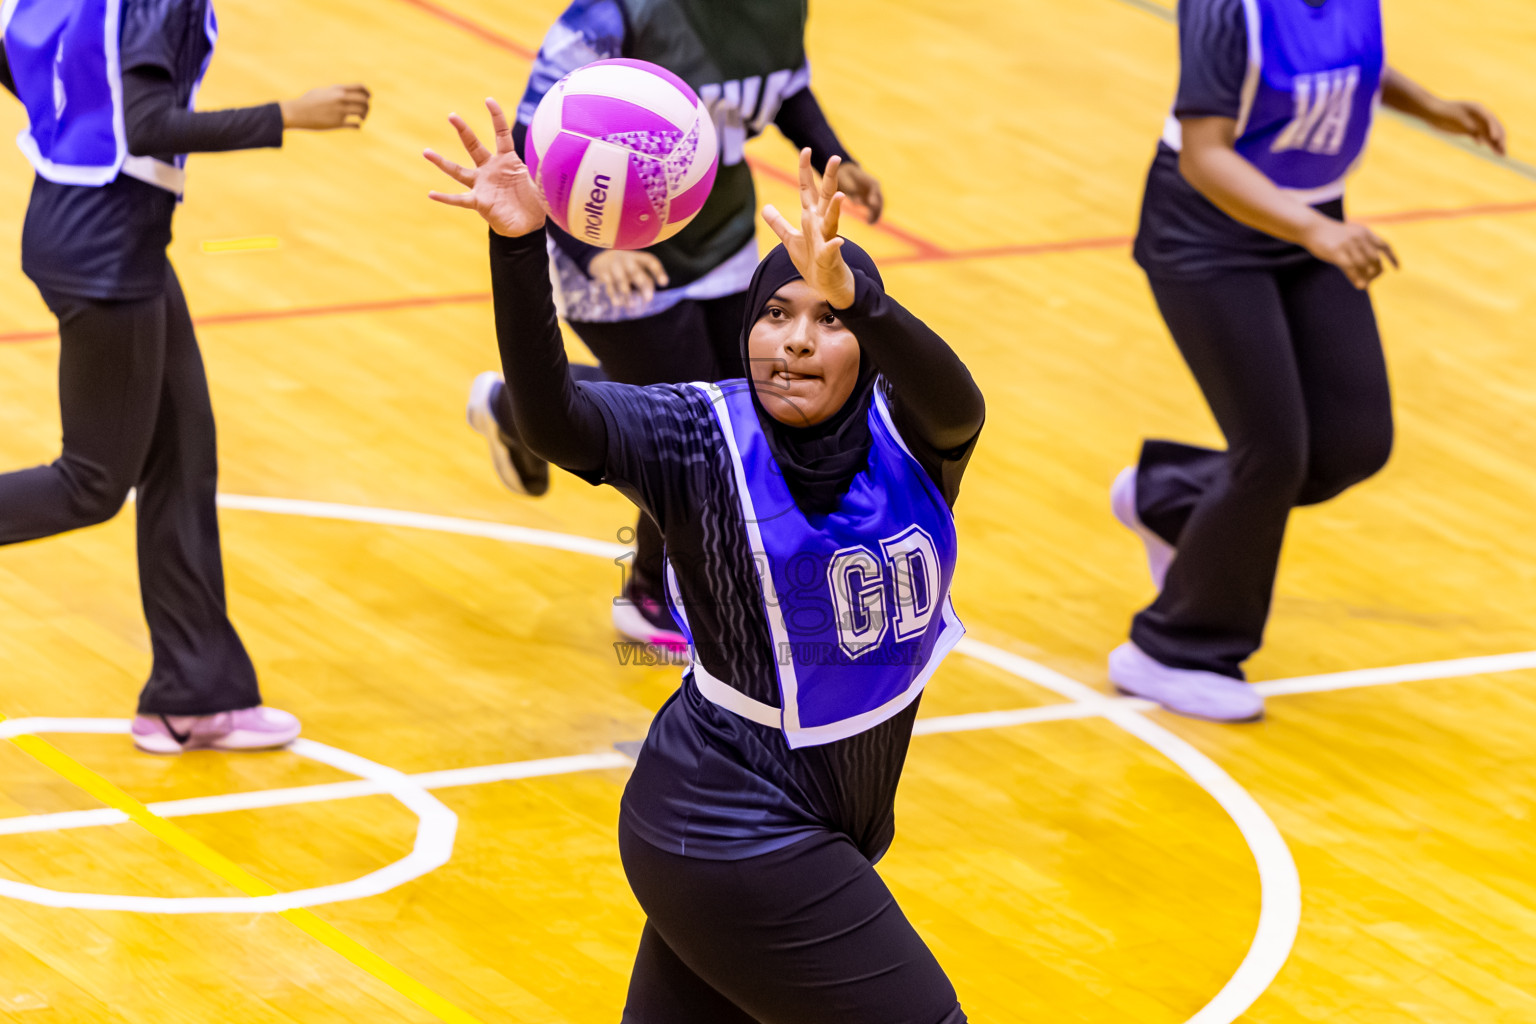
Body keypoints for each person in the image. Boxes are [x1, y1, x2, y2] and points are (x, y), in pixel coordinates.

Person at [427, 100, 982, 1024]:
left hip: (811, 823)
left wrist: (867, 297)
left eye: (827, 320)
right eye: (774, 314)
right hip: (727, 826)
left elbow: (959, 399)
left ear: (869, 345)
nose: (796, 339)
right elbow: (556, 416)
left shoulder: (916, 436)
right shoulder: (696, 434)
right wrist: (520, 249)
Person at [1110, 0, 1506, 721]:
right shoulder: (1229, 9)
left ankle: (1169, 496)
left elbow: (1351, 63)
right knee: (1271, 452)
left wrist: (1433, 107)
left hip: (1308, 221)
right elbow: (1206, 155)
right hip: (1204, 233)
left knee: (1352, 443)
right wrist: (1315, 234)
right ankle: (1171, 648)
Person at [0, 0, 370, 753]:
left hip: (88, 228)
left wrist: (71, 114)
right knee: (91, 484)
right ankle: (193, 690)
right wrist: (288, 114)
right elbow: (147, 125)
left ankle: (194, 694)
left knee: (183, 452)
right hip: (107, 254)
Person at [463, 0, 884, 648]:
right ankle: (650, 594)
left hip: (718, 239)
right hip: (608, 249)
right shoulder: (612, 15)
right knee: (695, 424)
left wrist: (837, 155)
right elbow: (533, 140)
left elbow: (783, 85)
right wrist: (592, 250)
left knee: (741, 403)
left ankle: (514, 404)